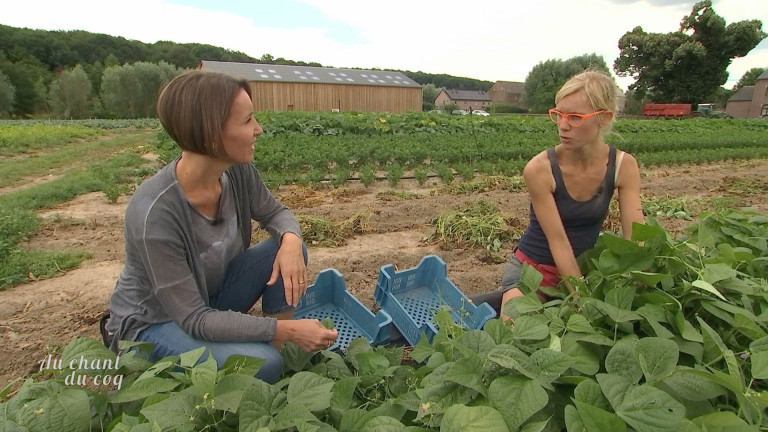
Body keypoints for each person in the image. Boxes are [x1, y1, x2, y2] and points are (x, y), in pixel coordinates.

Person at [103, 70, 338, 383]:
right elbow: (193, 318)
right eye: (247, 121)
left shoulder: (237, 172)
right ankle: (271, 349)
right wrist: (289, 328)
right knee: (261, 365)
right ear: (211, 134)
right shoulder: (155, 211)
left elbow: (275, 212)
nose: (258, 129)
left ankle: (277, 347)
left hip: (207, 300)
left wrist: (292, 240)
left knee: (286, 247)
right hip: (154, 323)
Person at [492, 69, 644, 317]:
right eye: (559, 115)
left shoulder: (623, 166)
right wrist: (583, 302)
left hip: (585, 269)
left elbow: (637, 237)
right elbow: (559, 243)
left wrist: (638, 285)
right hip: (533, 272)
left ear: (603, 118)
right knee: (516, 333)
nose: (563, 125)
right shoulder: (540, 169)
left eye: (574, 117)